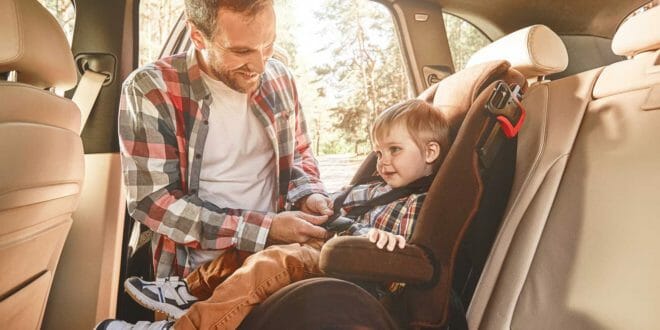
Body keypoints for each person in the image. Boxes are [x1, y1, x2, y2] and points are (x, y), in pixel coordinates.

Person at [97, 99, 451, 329]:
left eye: (394, 150)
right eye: (378, 151)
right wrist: (320, 205)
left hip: (355, 267)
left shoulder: (417, 204)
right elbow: (335, 206)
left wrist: (389, 243)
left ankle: (185, 328)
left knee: (274, 262)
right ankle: (187, 291)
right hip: (331, 243)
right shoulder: (374, 189)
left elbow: (403, 263)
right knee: (258, 240)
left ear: (431, 151)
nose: (382, 160)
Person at [109, 0, 334, 327]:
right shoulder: (152, 89)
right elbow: (153, 202)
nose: (259, 64)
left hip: (274, 264)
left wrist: (310, 195)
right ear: (197, 36)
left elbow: (299, 157)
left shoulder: (280, 78)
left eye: (268, 44)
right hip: (189, 277)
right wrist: (265, 229)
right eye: (241, 51)